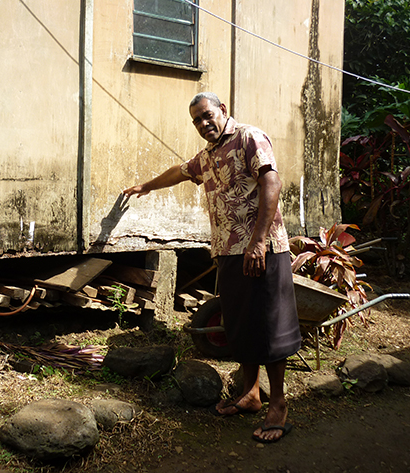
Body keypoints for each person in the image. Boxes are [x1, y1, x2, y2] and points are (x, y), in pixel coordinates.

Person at [123, 92, 301, 443]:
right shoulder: (208, 156)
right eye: (196, 121)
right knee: (241, 324)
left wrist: (259, 242)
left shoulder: (249, 138)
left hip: (261, 249)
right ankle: (250, 394)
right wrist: (147, 185)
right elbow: (180, 171)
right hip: (230, 252)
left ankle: (277, 403)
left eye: (207, 115)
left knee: (269, 325)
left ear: (222, 110)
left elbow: (272, 183)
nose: (203, 124)